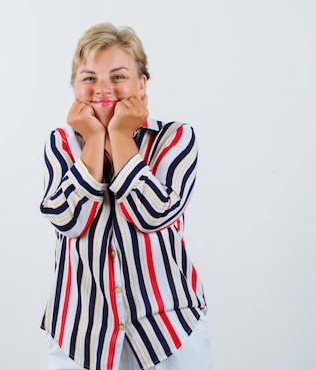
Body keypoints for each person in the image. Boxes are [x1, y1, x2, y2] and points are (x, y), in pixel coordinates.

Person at [40, 22, 212, 370]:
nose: (103, 88)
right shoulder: (62, 143)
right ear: (74, 87)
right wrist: (92, 141)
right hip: (81, 333)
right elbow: (67, 220)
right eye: (89, 78)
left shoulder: (175, 139)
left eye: (118, 76)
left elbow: (153, 216)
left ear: (141, 84)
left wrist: (119, 133)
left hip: (168, 329)